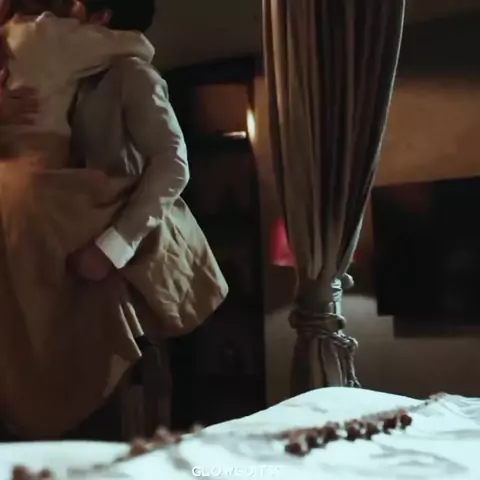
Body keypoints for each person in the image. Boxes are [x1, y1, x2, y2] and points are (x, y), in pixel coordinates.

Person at [0, 0, 228, 440]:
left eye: (76, 3)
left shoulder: (130, 73)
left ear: (100, 17)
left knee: (119, 393)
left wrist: (112, 248)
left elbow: (173, 164)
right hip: (59, 235)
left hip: (120, 239)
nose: (63, 11)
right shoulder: (49, 64)